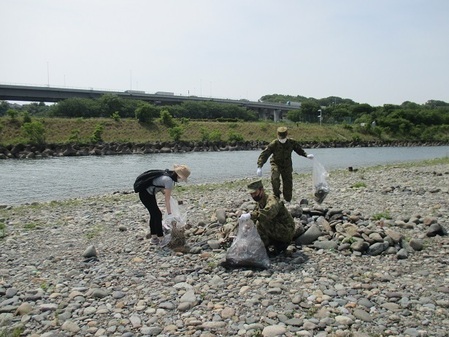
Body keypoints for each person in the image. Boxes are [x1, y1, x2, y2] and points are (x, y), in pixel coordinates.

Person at [256, 126, 314, 202]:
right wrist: (259, 166)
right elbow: (265, 154)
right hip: (276, 164)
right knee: (275, 179)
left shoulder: (291, 142)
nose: (282, 139)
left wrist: (306, 155)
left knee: (288, 182)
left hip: (287, 165)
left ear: (286, 135)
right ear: (277, 136)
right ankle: (276, 197)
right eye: (280, 138)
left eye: (283, 137)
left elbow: (299, 150)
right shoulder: (274, 144)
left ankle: (288, 199)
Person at [239, 179, 295, 256]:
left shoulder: (271, 200)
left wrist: (251, 215)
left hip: (286, 230)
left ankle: (276, 245)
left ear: (261, 190)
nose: (253, 196)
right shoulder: (259, 204)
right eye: (251, 194)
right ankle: (267, 246)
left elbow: (268, 213)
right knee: (252, 227)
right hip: (275, 230)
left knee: (261, 222)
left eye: (255, 193)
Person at [138, 164, 190, 245]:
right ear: (179, 176)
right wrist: (169, 213)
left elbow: (161, 189)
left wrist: (170, 199)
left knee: (154, 214)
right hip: (145, 194)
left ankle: (154, 238)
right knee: (157, 215)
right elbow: (167, 199)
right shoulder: (169, 180)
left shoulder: (168, 175)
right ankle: (161, 238)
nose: (181, 180)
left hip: (149, 193)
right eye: (182, 179)